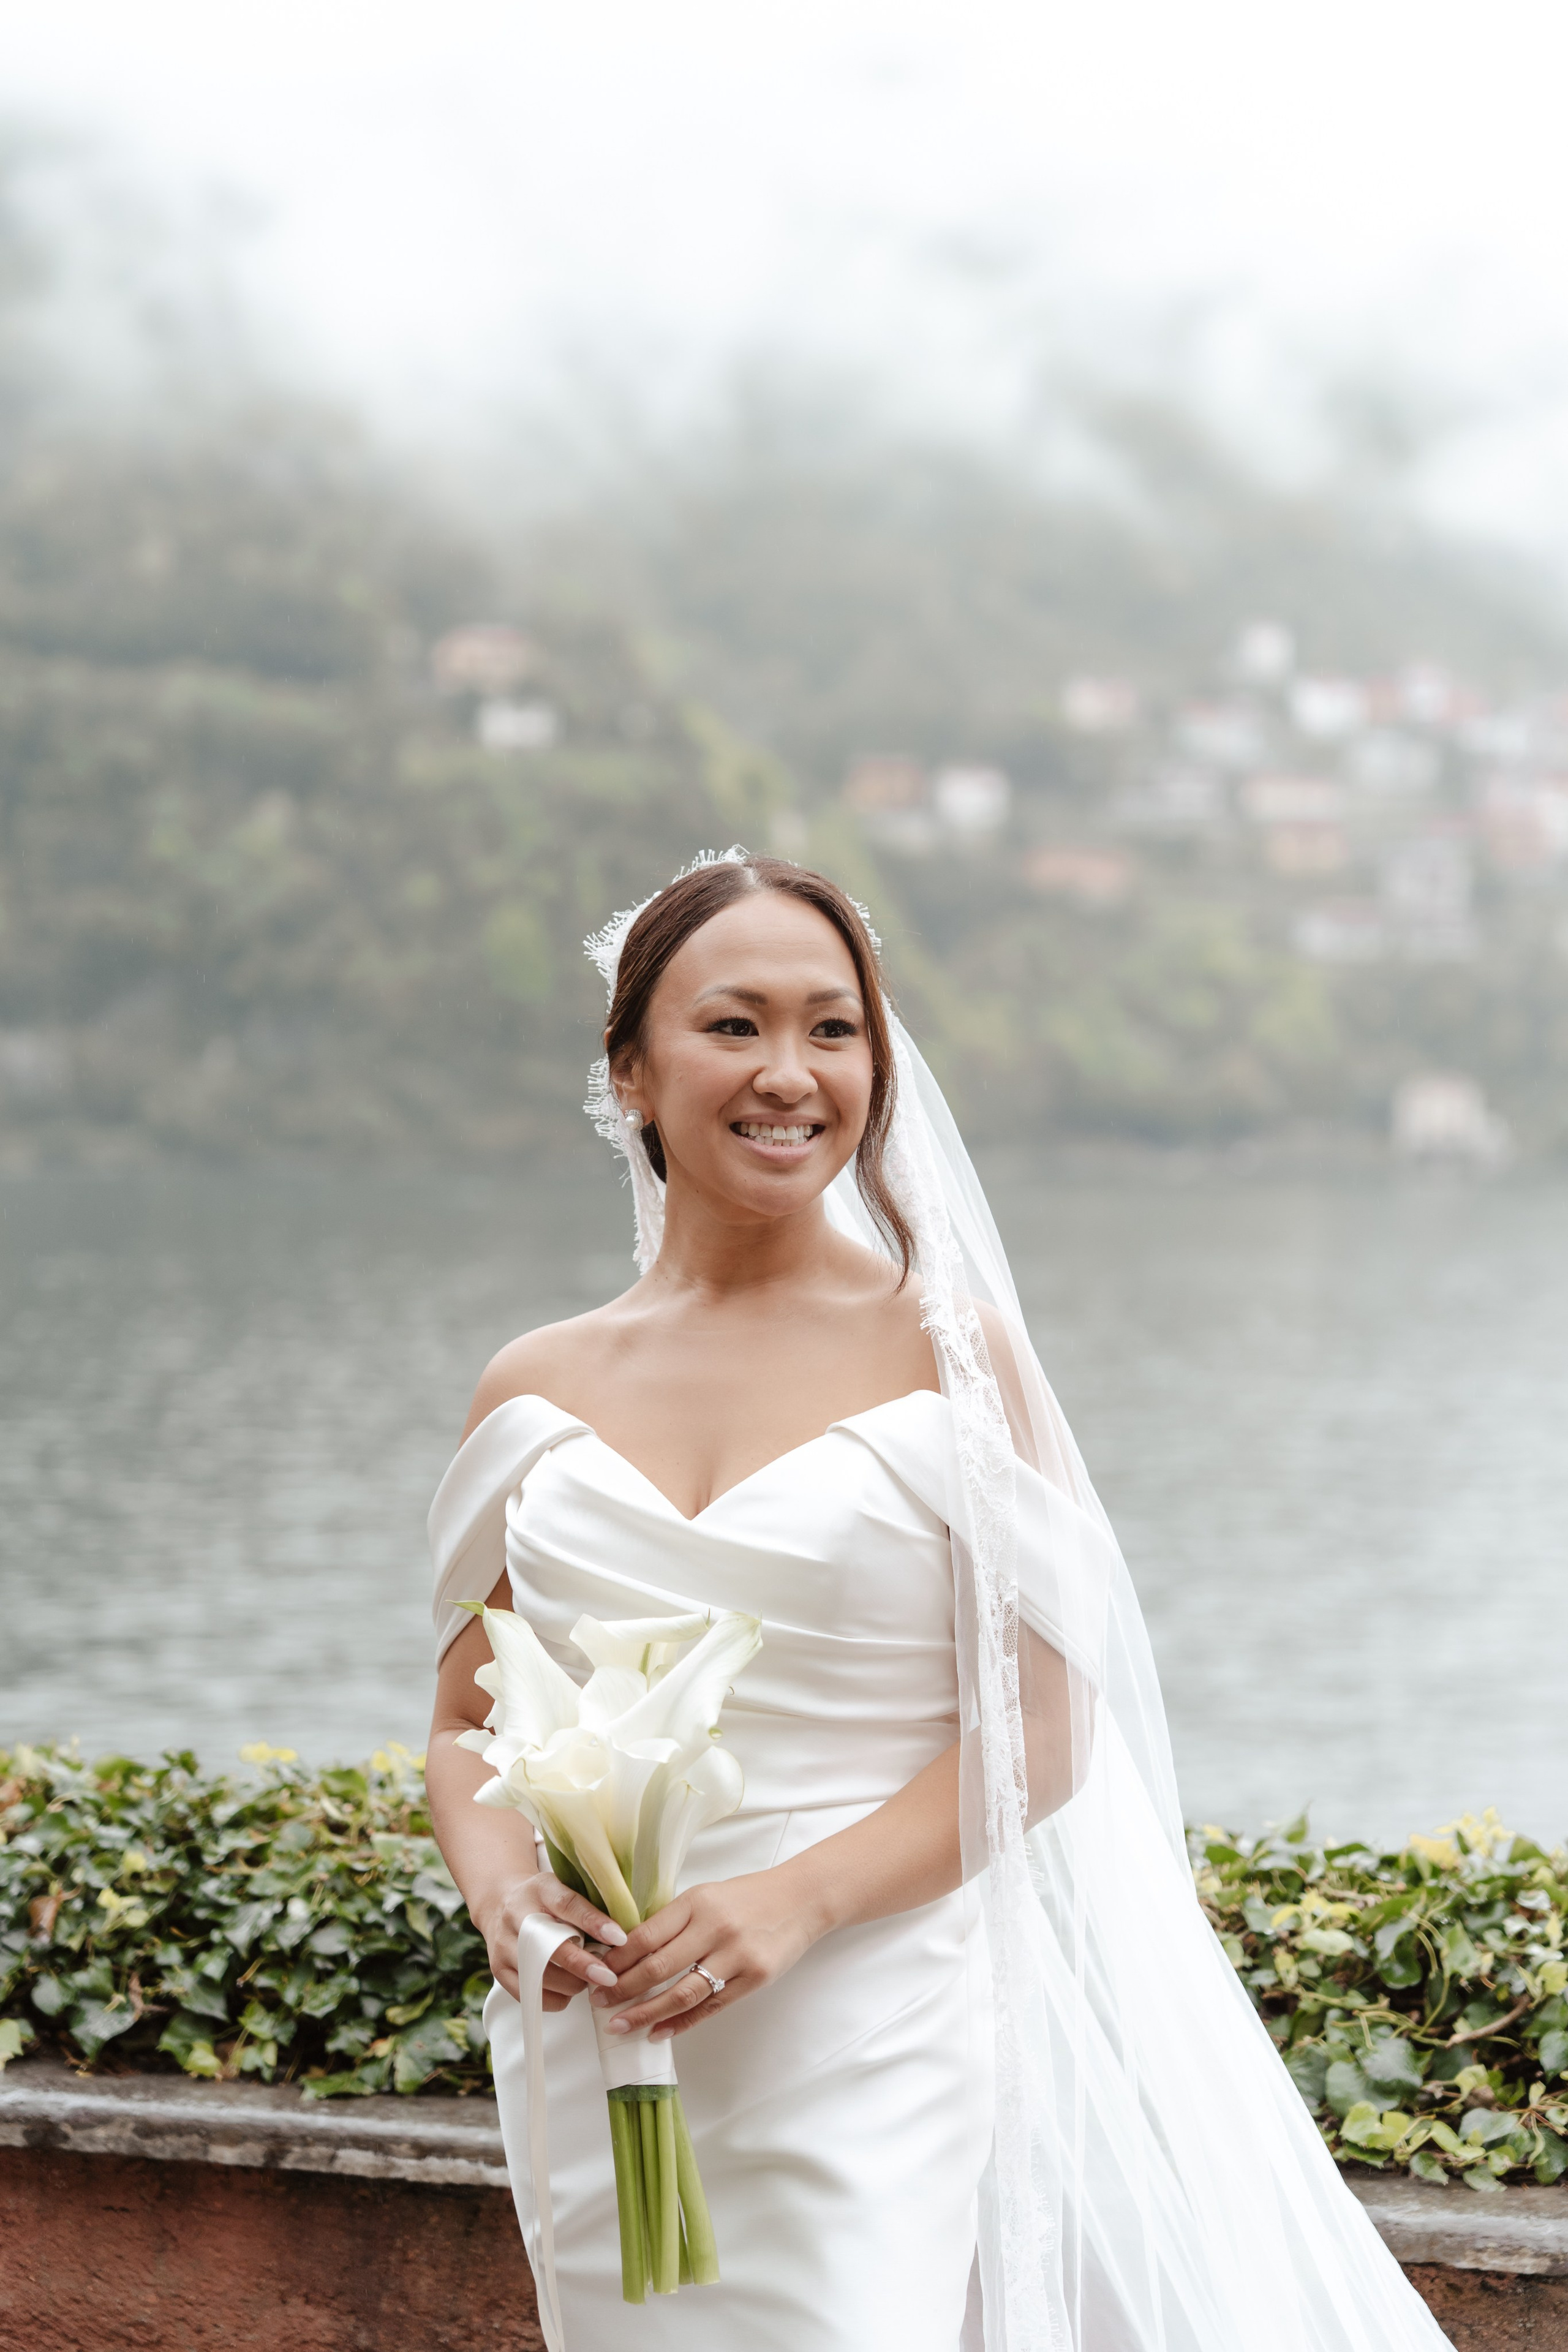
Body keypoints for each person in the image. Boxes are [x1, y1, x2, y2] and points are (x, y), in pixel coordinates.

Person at [427, 851, 1450, 2352]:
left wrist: (794, 1900)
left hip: (862, 2022)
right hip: (597, 2035)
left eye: (832, 1029)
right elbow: (466, 1719)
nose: (789, 1072)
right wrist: (509, 1899)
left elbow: (1046, 1727)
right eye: (734, 1025)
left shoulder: (952, 1358)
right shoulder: (532, 1386)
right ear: (629, 1070)